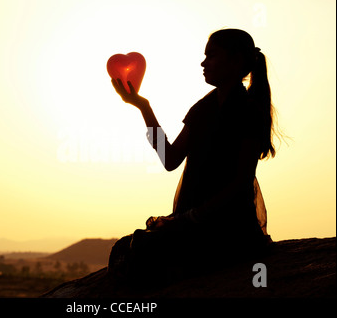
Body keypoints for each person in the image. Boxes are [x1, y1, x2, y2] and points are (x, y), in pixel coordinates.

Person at [108, 29, 277, 284]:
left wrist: (191, 219)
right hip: (191, 222)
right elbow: (170, 158)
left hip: (228, 226)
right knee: (126, 248)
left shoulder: (248, 112)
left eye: (211, 56)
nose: (203, 62)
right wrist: (144, 107)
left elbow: (242, 181)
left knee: (144, 253)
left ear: (236, 61)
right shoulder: (202, 109)